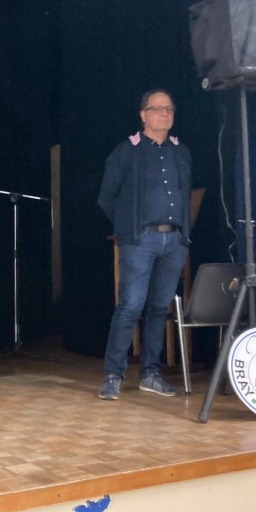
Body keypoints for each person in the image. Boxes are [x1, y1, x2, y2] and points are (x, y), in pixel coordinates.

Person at [97, 88, 192, 401]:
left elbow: (185, 193)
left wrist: (183, 235)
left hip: (173, 240)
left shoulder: (180, 152)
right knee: (130, 306)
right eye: (157, 109)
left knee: (159, 308)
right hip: (141, 240)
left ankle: (151, 373)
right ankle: (114, 374)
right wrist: (128, 229)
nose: (164, 114)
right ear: (143, 115)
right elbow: (107, 198)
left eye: (169, 109)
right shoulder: (127, 151)